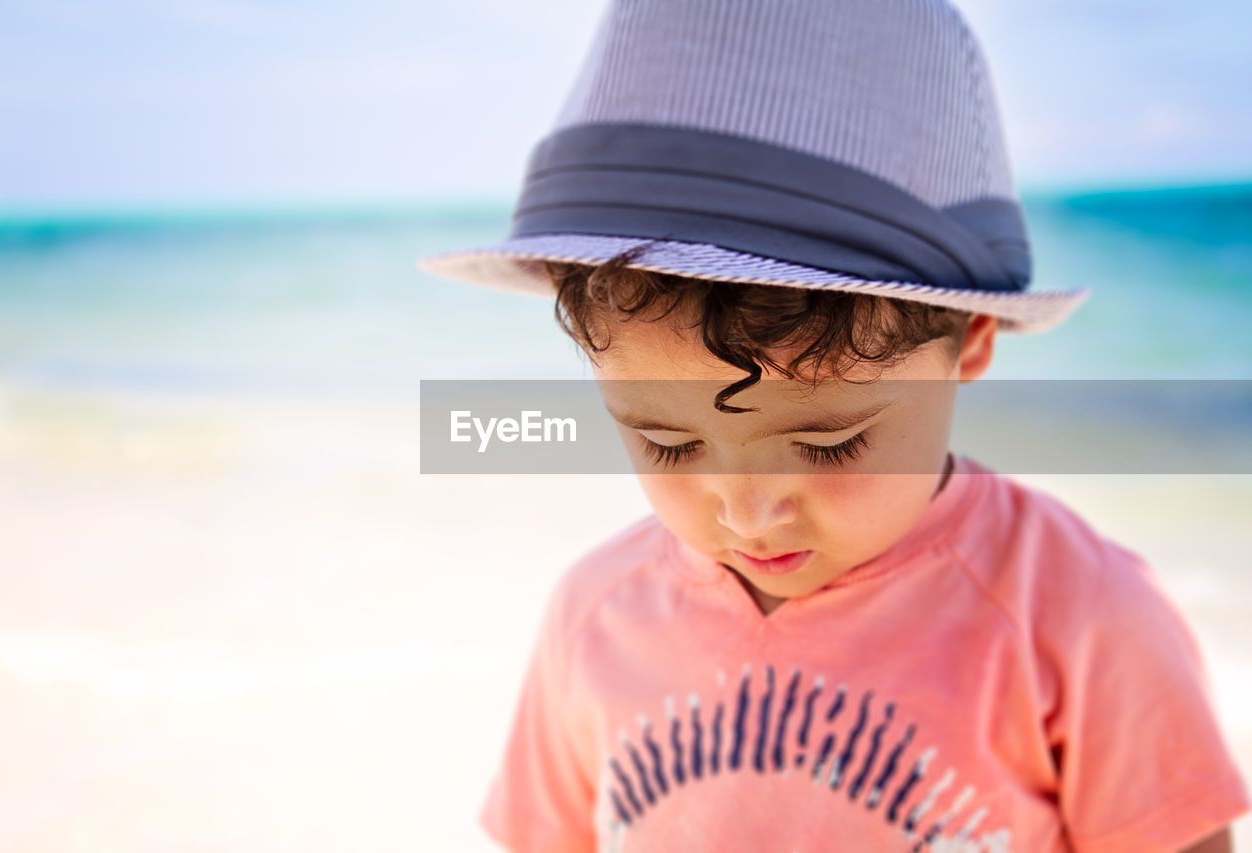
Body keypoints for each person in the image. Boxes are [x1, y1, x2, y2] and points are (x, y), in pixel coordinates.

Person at [418, 0, 1250, 849]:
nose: (744, 513)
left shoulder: (1082, 617)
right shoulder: (594, 616)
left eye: (826, 443)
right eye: (667, 442)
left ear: (968, 341)